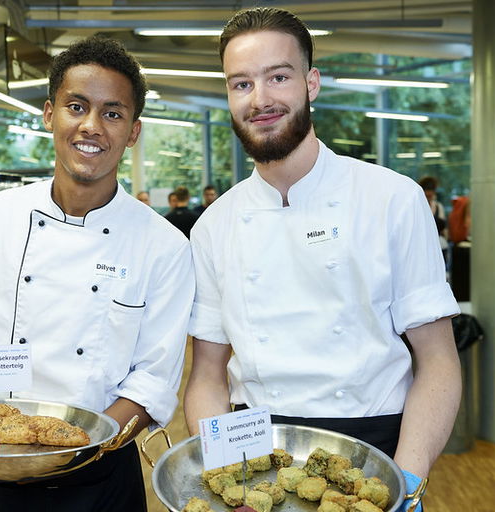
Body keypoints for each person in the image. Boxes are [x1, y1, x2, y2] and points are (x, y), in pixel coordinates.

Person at [183, 8, 461, 512]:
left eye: (279, 77)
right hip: (257, 449)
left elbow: (438, 360)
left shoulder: (391, 199)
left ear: (311, 83)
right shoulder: (213, 227)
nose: (260, 98)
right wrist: (226, 472)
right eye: (241, 83)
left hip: (377, 446)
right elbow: (206, 375)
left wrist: (406, 482)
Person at [0, 36, 194, 512]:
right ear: (48, 114)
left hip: (98, 474)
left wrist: (79, 449)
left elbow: (153, 381)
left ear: (134, 131)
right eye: (76, 106)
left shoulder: (163, 246)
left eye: (113, 113)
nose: (91, 126)